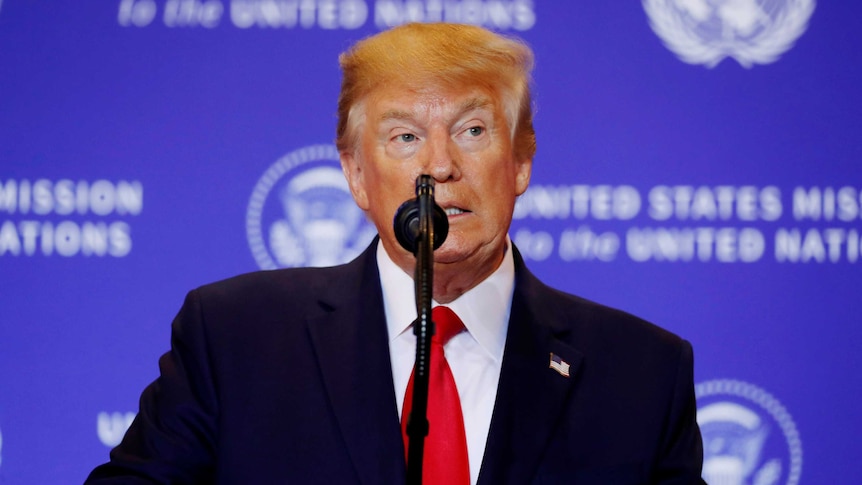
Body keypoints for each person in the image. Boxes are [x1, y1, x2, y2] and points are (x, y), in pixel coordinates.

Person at [86, 23, 704, 484]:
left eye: (472, 130)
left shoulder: (641, 373)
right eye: (405, 137)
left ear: (521, 161)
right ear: (356, 174)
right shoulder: (235, 338)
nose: (439, 165)